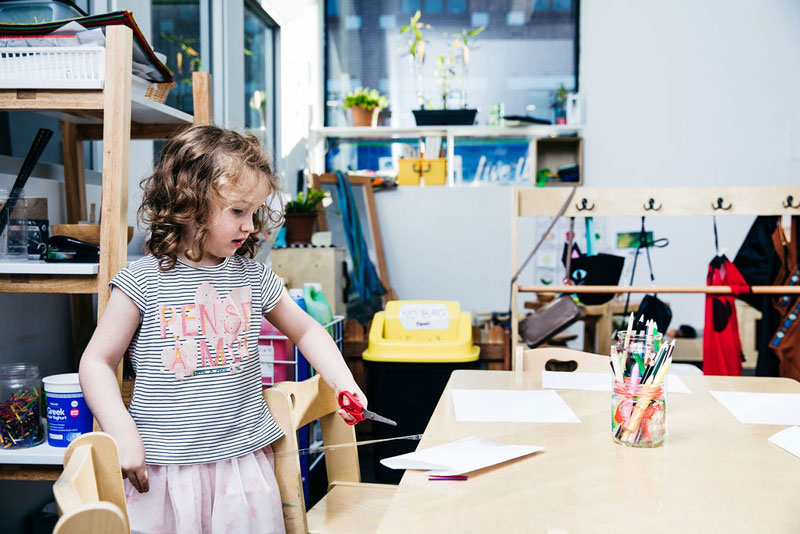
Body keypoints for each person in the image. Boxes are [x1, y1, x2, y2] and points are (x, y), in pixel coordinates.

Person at [79, 125, 366, 534]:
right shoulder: (142, 281)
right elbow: (96, 361)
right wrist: (122, 432)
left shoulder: (253, 275)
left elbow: (307, 331)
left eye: (254, 212)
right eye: (237, 211)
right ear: (188, 203)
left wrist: (343, 381)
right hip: (163, 473)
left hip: (243, 469)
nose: (250, 226)